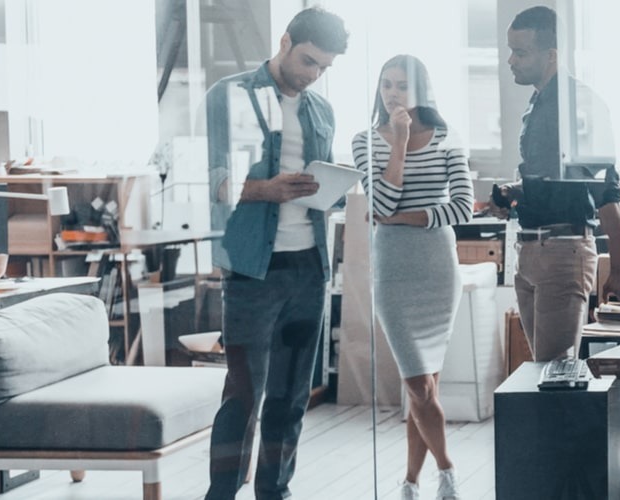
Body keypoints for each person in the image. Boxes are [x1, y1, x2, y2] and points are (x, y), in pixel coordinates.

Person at [202, 7, 346, 500]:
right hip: (251, 273)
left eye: (323, 68)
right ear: (285, 42)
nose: (312, 75)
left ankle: (275, 491)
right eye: (308, 61)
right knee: (242, 397)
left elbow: (319, 188)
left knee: (290, 398)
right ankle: (221, 493)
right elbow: (212, 182)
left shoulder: (321, 111)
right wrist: (268, 189)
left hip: (309, 269)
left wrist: (332, 188)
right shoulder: (230, 96)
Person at [488, 6, 620, 367]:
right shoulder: (538, 103)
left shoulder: (581, 105)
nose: (511, 60)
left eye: (521, 52)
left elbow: (606, 191)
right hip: (530, 251)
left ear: (551, 55)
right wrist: (513, 193)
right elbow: (552, 184)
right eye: (509, 50)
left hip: (562, 253)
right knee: (543, 372)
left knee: (556, 373)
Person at [356, 54, 473, 500]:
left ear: (420, 90)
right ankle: (448, 471)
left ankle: (408, 482)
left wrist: (403, 219)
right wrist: (400, 143)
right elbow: (380, 205)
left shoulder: (447, 138)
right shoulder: (366, 140)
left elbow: (462, 208)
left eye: (401, 85)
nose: (391, 93)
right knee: (420, 385)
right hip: (393, 275)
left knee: (423, 392)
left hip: (438, 273)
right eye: (386, 84)